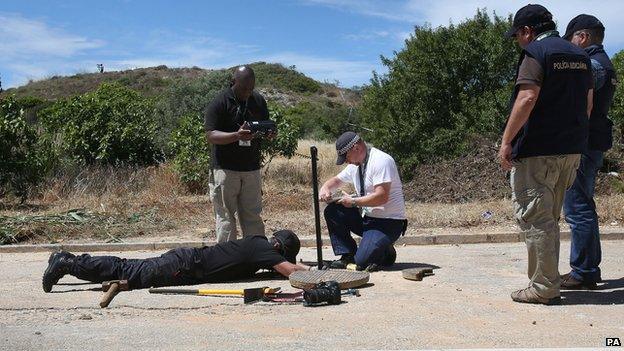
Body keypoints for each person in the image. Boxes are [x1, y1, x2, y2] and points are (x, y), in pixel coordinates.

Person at [498, 4, 593, 305]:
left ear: (527, 31)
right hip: (571, 150)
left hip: (538, 151)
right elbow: (587, 104)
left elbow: (527, 97)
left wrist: (506, 142)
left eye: (517, 35)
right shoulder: (580, 55)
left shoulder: (536, 54)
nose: (518, 41)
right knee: (550, 217)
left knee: (536, 219)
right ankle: (548, 280)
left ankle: (543, 287)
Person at [42, 230, 308, 292]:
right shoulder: (261, 249)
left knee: (129, 267)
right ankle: (68, 263)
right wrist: (315, 272)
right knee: (128, 271)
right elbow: (289, 272)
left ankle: (70, 262)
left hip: (186, 263)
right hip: (183, 266)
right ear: (280, 249)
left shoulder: (257, 244)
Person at [560, 15, 617, 290]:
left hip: (583, 145)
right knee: (585, 206)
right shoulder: (606, 63)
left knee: (577, 208)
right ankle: (588, 269)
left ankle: (583, 272)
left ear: (582, 37)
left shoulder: (592, 65)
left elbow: (582, 106)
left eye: (571, 39)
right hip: (594, 142)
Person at [319, 131, 407, 271]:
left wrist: (354, 202)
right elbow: (336, 181)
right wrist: (325, 189)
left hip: (388, 223)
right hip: (368, 219)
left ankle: (384, 250)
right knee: (333, 211)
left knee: (361, 262)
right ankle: (347, 254)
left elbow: (382, 197)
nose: (346, 161)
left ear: (356, 148)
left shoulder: (381, 161)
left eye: (346, 156)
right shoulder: (356, 166)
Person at [204, 66, 272, 243]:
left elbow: (265, 124)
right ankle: (229, 263)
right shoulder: (220, 102)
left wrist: (269, 133)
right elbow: (211, 135)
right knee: (226, 218)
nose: (247, 93)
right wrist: (237, 136)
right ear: (234, 82)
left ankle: (256, 258)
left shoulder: (258, 100)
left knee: (253, 217)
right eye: (244, 89)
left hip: (251, 169)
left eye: (251, 89)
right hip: (225, 170)